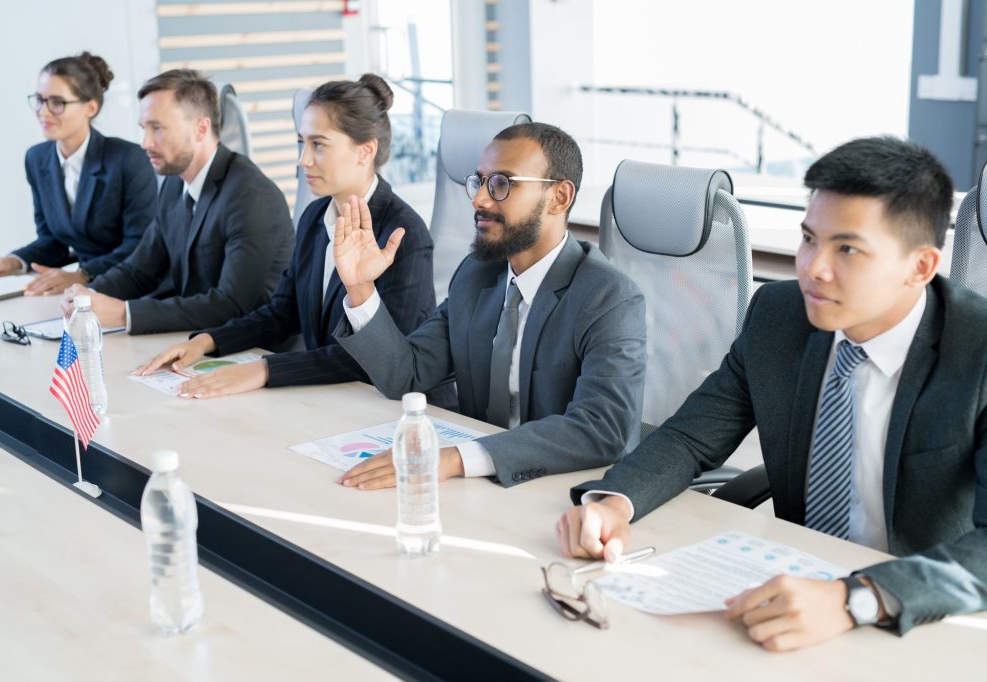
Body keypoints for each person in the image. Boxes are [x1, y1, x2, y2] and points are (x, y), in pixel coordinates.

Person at [557, 136, 987, 650]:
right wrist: (614, 502)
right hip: (787, 586)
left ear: (919, 267)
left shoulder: (978, 351)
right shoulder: (778, 316)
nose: (813, 268)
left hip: (914, 614)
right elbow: (693, 437)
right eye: (809, 239)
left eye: (847, 248)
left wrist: (856, 599)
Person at [331, 122, 646, 490]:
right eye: (479, 181)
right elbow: (407, 375)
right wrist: (361, 287)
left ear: (559, 197)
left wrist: (455, 458)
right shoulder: (477, 275)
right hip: (477, 487)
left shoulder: (608, 297)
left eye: (502, 184)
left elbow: (602, 428)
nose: (479, 199)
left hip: (560, 493)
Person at [131, 74, 439, 399]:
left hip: (394, 411)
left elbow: (387, 359)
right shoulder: (314, 217)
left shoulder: (402, 233)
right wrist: (206, 342)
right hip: (331, 398)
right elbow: (282, 313)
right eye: (300, 142)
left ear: (365, 151)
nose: (302, 159)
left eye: (318, 144)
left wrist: (265, 370)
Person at [61, 69, 294, 334]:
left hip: (252, 349)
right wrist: (87, 295)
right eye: (143, 128)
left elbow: (231, 304)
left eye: (157, 128)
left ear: (201, 128)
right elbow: (140, 270)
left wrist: (124, 314)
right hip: (194, 338)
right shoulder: (175, 183)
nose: (145, 142)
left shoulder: (251, 197)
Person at [0, 52, 156, 295]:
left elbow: (140, 244)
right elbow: (52, 241)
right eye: (39, 99)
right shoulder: (37, 159)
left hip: (134, 287)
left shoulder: (128, 159)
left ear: (90, 107)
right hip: (81, 292)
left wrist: (83, 274)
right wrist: (14, 262)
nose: (43, 112)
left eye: (57, 102)